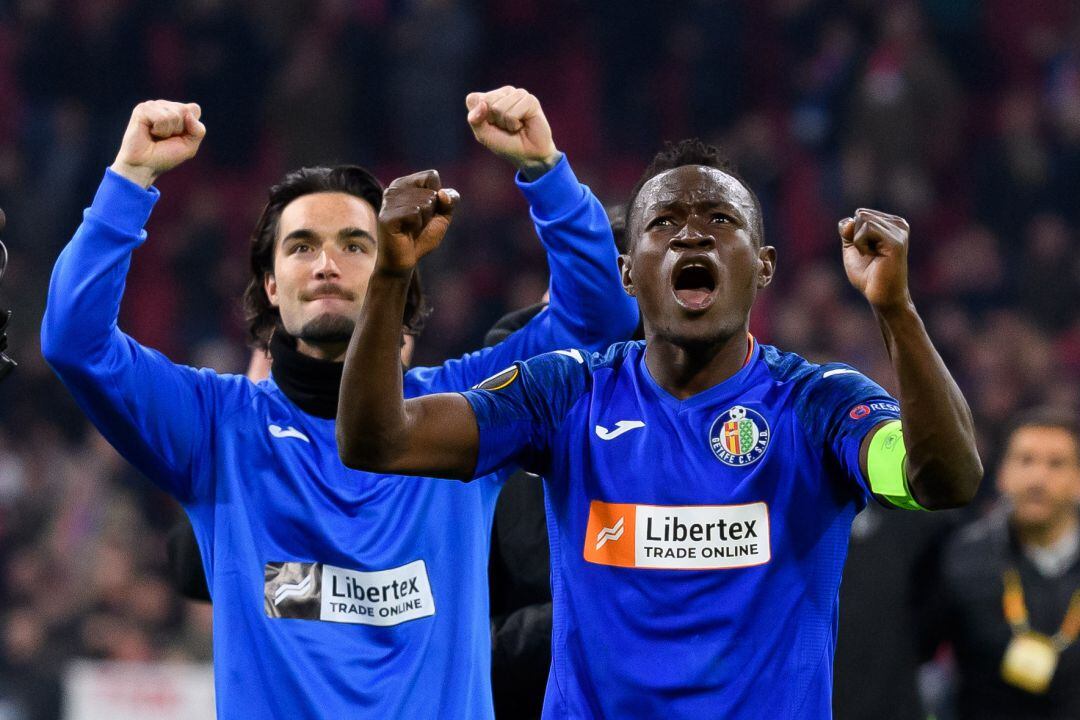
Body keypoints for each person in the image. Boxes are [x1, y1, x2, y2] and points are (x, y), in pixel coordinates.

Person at [41, 88, 639, 719]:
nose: (327, 263)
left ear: (399, 269)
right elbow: (75, 340)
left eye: (357, 245)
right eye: (301, 246)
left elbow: (601, 315)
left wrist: (546, 169)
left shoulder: (459, 416)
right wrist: (129, 178)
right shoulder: (217, 427)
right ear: (270, 286)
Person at [336, 139, 983, 717]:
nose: (691, 236)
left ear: (764, 266)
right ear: (626, 273)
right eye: (664, 222)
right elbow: (378, 441)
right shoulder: (566, 391)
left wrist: (895, 310)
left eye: (719, 220)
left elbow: (946, 480)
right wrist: (392, 274)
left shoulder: (817, 404)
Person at [920, 409, 1080, 719]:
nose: (1038, 477)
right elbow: (917, 654)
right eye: (1026, 460)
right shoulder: (961, 556)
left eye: (1056, 463)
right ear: (1003, 473)